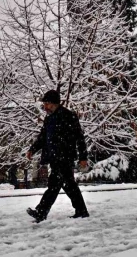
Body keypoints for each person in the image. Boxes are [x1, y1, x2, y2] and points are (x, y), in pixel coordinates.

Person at [26, 90, 89, 223]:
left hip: (65, 157)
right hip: (54, 158)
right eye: (44, 104)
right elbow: (42, 137)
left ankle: (41, 212)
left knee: (54, 186)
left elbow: (79, 137)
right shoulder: (48, 119)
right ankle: (81, 210)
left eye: (47, 104)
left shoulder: (69, 116)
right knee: (69, 185)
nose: (45, 107)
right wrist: (32, 149)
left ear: (54, 103)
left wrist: (83, 157)